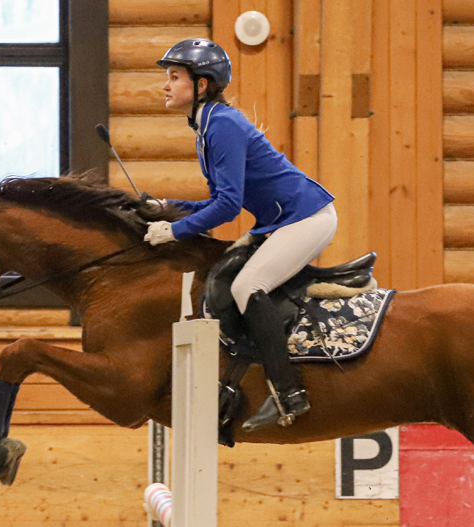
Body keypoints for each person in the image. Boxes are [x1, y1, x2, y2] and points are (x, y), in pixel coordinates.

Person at [143, 38, 337, 432]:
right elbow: (219, 200)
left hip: (307, 218)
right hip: (285, 220)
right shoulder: (207, 125)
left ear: (201, 85)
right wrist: (169, 208)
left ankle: (289, 394)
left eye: (174, 76)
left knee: (248, 287)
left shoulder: (222, 125)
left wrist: (174, 231)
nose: (165, 85)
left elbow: (229, 208)